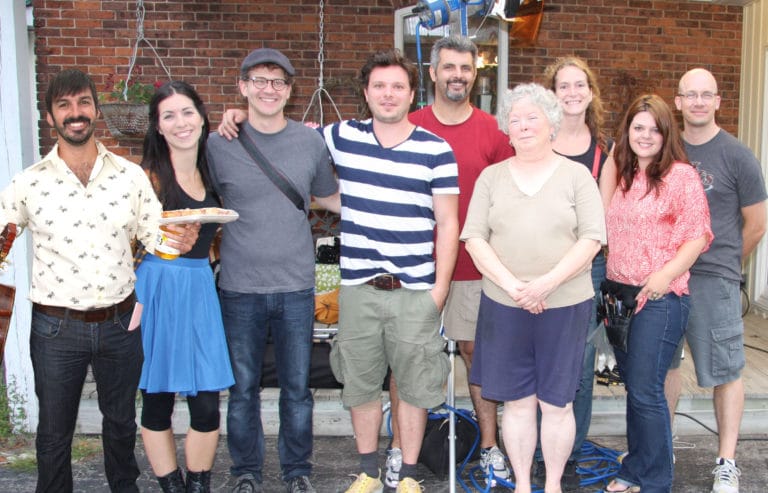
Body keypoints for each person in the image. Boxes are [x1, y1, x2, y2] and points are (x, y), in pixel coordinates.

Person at [0, 69, 198, 493]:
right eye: (64, 105)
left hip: (120, 324)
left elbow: (155, 236)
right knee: (54, 433)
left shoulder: (129, 176)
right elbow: (2, 237)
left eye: (83, 103)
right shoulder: (28, 183)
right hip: (55, 328)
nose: (76, 113)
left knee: (121, 424)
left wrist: (179, 241)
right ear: (50, 117)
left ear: (95, 109)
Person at [322, 48, 459, 493]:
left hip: (415, 291)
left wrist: (439, 291)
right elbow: (285, 141)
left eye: (397, 86)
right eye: (379, 85)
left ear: (412, 93)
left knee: (416, 386)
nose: (388, 94)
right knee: (360, 384)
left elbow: (448, 223)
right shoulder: (340, 137)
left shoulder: (435, 150)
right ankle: (367, 473)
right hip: (358, 288)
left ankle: (409, 477)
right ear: (366, 93)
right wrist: (238, 118)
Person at [206, 48, 340, 493]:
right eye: (260, 81)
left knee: (297, 389)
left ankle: (297, 471)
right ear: (243, 87)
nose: (269, 89)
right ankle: (245, 472)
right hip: (239, 286)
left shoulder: (310, 142)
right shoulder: (218, 144)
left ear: (289, 90)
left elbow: (330, 197)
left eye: (278, 82)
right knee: (242, 388)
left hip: (297, 285)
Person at [461, 83, 605, 493]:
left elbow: (592, 239)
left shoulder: (577, 176)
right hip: (505, 305)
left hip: (565, 304)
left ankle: (553, 484)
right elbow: (474, 239)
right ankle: (523, 484)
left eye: (532, 117)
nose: (523, 125)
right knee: (517, 402)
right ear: (507, 130)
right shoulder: (491, 178)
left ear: (551, 124)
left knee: (557, 403)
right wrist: (515, 287)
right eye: (515, 119)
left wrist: (545, 284)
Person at [385, 34, 514, 488]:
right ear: (433, 72)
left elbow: (510, 197)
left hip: (473, 269)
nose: (457, 76)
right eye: (449, 67)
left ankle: (491, 448)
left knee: (479, 355)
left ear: (474, 74)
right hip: (414, 269)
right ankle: (400, 450)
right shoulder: (409, 125)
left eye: (466, 68)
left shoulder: (493, 132)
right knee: (408, 358)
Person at [603, 94, 713, 493]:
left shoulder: (681, 176)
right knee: (635, 389)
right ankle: (635, 469)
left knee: (647, 390)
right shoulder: (624, 174)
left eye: (654, 129)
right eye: (638, 128)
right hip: (619, 296)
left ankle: (655, 481)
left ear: (667, 134)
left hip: (659, 298)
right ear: (627, 132)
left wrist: (664, 275)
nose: (645, 136)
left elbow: (698, 236)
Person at [664, 68, 767, 493]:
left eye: (707, 95)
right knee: (663, 366)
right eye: (691, 95)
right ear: (678, 102)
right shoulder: (666, 149)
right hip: (666, 277)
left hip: (713, 280)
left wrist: (724, 263)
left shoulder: (738, 155)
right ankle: (661, 448)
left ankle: (726, 462)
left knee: (726, 370)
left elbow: (756, 224)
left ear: (718, 102)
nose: (699, 102)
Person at [134, 81, 235, 493]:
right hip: (156, 288)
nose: (181, 122)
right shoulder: (146, 179)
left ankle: (198, 484)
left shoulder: (212, 172)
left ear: (202, 118)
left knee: (207, 404)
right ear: (158, 126)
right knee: (156, 399)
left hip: (199, 288)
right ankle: (170, 486)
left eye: (187, 112)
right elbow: (122, 240)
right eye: (169, 115)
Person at [531, 55, 617, 490]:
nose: (572, 92)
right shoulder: (534, 139)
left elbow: (599, 223)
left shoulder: (604, 151)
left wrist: (571, 267)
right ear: (551, 94)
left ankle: (568, 455)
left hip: (584, 269)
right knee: (534, 362)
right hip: (534, 266)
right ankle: (533, 451)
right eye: (563, 85)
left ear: (590, 92)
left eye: (579, 84)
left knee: (578, 367)